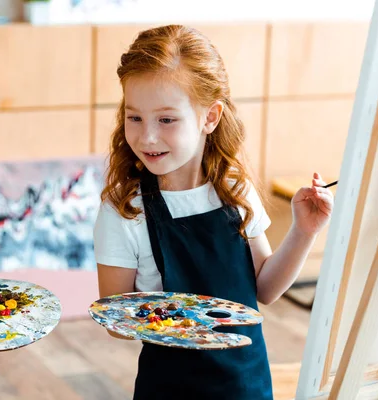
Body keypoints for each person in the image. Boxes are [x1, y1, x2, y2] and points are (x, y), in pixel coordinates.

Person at [93, 24, 334, 399]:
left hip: (247, 386)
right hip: (169, 389)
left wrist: (304, 231)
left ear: (210, 116)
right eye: (134, 117)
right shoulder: (125, 209)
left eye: (166, 119)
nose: (147, 136)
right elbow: (114, 320)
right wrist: (179, 320)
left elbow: (265, 289)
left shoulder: (234, 191)